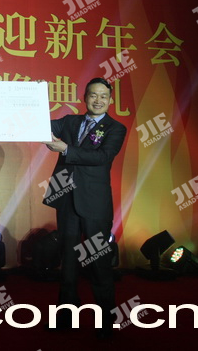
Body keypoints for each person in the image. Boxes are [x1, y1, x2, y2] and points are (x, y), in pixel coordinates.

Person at [43, 77, 126, 339]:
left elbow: (102, 157)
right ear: (85, 97)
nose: (98, 100)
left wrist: (66, 149)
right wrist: (31, 101)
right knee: (67, 261)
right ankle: (65, 315)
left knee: (99, 263)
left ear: (110, 100)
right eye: (93, 95)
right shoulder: (70, 121)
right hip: (66, 199)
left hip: (95, 203)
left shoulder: (116, 128)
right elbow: (38, 124)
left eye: (103, 96)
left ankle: (106, 320)